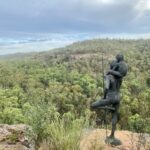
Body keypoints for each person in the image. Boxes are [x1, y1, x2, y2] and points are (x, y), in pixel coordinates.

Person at [90, 54, 128, 139]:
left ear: (111, 67)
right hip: (118, 97)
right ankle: (112, 135)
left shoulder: (109, 76)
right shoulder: (120, 78)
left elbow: (106, 89)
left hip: (110, 97)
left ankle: (104, 114)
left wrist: (104, 97)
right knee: (114, 115)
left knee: (92, 106)